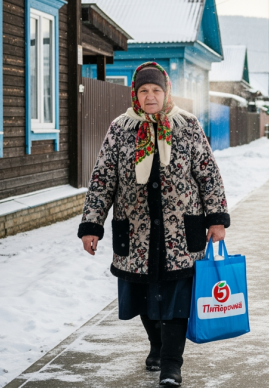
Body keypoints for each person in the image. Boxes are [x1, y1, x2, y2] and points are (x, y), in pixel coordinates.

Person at [77, 62, 230, 386]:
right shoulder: (121, 128)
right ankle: (157, 345)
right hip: (136, 234)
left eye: (156, 90)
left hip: (180, 234)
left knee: (176, 301)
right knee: (145, 298)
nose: (150, 96)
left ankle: (171, 365)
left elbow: (208, 174)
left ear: (166, 92)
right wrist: (92, 224)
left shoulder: (186, 125)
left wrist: (216, 219)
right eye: (144, 90)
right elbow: (103, 178)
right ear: (135, 93)